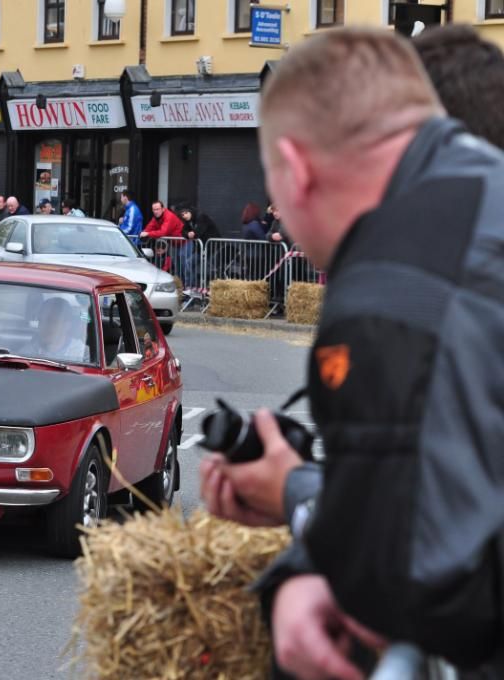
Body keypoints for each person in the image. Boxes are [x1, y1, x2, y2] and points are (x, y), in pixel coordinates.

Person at [199, 27, 504, 679]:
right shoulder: (482, 197)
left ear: (298, 169)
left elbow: (425, 581)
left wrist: (301, 550)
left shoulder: (391, 286)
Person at [19, 297, 90, 363]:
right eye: (41, 321)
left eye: (51, 321)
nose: (43, 326)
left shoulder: (82, 354)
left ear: (67, 325)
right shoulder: (28, 353)